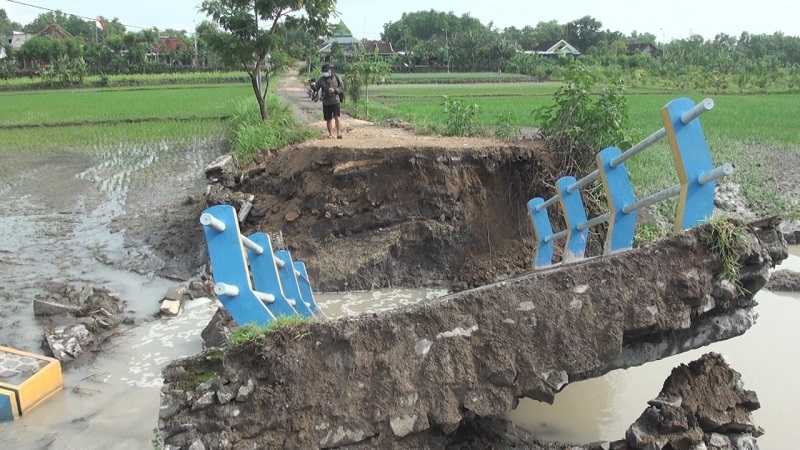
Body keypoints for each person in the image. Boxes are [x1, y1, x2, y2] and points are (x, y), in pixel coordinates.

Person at [315, 63, 344, 139]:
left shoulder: (336, 77)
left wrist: (335, 90)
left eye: (326, 71)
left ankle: (338, 133)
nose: (325, 73)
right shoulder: (321, 79)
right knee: (328, 119)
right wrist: (312, 85)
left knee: (337, 116)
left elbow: (341, 86)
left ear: (329, 70)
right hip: (326, 102)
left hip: (335, 100)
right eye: (323, 71)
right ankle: (330, 134)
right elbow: (316, 88)